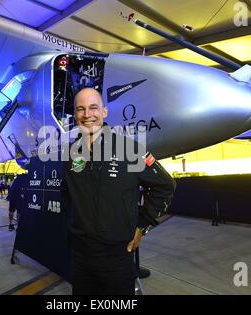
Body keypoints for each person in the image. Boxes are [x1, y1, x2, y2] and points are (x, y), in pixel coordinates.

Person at [61, 88, 176, 295]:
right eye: (81, 109)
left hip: (117, 256)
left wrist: (143, 225)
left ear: (104, 112)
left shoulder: (128, 149)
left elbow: (165, 185)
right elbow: (67, 195)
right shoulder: (70, 154)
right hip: (79, 255)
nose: (87, 115)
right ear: (75, 115)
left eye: (93, 108)